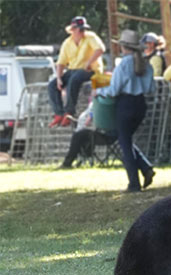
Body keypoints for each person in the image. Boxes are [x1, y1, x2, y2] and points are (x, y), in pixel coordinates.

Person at [94, 29, 155, 193]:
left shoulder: (123, 65)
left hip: (125, 105)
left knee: (125, 144)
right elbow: (151, 87)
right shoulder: (146, 64)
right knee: (125, 139)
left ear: (124, 47)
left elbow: (113, 90)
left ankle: (134, 184)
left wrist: (100, 92)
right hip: (141, 104)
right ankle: (146, 168)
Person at [48, 16, 106, 128]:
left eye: (84, 29)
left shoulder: (91, 37)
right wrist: (59, 78)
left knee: (74, 79)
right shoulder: (67, 43)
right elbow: (61, 62)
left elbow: (100, 49)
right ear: (73, 30)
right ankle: (59, 113)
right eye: (80, 29)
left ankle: (69, 112)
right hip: (73, 70)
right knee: (52, 85)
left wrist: (89, 62)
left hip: (92, 71)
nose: (83, 31)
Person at [58, 101, 118, 169]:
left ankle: (68, 162)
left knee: (79, 136)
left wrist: (91, 116)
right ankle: (78, 159)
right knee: (79, 135)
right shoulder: (97, 103)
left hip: (106, 134)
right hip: (98, 131)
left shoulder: (106, 103)